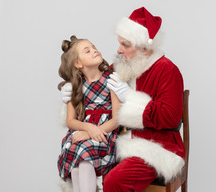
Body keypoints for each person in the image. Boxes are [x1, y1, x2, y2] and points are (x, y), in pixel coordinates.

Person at [61, 7, 185, 192]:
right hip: (115, 141)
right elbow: (94, 87)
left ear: (144, 47)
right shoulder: (119, 67)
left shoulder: (167, 70)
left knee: (113, 181)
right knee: (77, 160)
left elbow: (171, 117)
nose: (119, 50)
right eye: (120, 43)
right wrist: (74, 89)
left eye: (125, 45)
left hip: (154, 146)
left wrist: (130, 97)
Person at [57, 35, 120, 192]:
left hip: (105, 134)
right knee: (76, 163)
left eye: (94, 47)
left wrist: (92, 132)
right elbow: (71, 121)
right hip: (82, 134)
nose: (94, 50)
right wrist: (87, 128)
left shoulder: (112, 80)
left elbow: (117, 119)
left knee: (84, 157)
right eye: (87, 50)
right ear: (78, 63)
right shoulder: (75, 86)